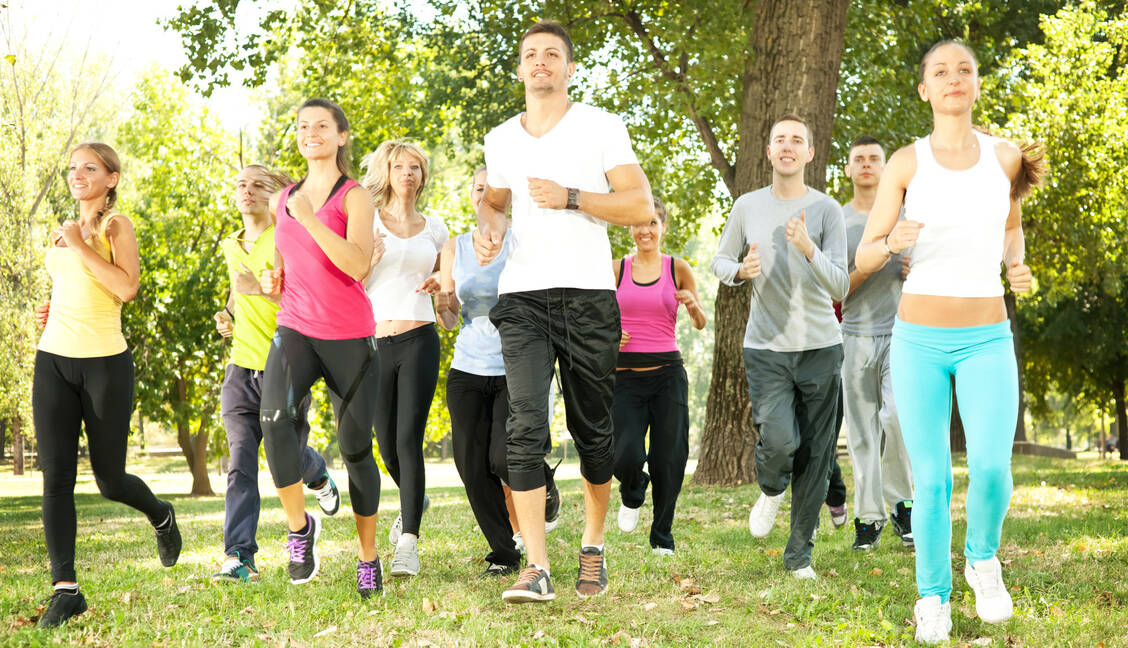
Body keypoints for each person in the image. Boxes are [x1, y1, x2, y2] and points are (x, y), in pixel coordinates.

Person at [854, 41, 1041, 643]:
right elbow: (865, 252)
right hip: (919, 341)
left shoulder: (1005, 158)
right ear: (925, 90)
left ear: (977, 85)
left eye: (965, 69)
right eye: (941, 71)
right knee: (930, 479)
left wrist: (1018, 266)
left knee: (991, 465)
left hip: (987, 336)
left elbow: (1011, 231)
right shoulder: (906, 165)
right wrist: (893, 241)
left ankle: (982, 559)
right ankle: (931, 597)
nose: (953, 78)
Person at [474, 20, 654, 602]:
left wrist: (573, 196)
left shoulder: (601, 127)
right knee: (524, 428)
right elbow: (497, 203)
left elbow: (638, 205)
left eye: (553, 53)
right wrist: (489, 231)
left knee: (594, 432)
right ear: (520, 69)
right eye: (531, 54)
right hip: (523, 297)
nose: (541, 61)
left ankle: (593, 546)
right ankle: (537, 566)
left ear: (570, 69)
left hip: (587, 297)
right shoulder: (500, 138)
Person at [32, 142, 181, 628]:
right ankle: (66, 588)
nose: (78, 175)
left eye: (90, 168)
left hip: (104, 366)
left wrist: (77, 243)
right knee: (56, 478)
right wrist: (52, 312)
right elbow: (76, 287)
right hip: (53, 359)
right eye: (73, 168)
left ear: (111, 178)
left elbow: (126, 287)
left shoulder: (115, 226)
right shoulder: (66, 231)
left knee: (110, 480)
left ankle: (160, 514)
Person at [711, 113, 848, 580]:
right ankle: (770, 488)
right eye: (779, 140)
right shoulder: (747, 206)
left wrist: (810, 248)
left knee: (817, 453)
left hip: (821, 348)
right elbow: (720, 259)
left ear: (810, 153)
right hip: (766, 349)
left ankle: (799, 556)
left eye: (797, 140)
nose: (787, 146)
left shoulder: (827, 210)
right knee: (780, 441)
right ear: (768, 152)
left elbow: (842, 286)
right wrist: (739, 271)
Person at [258, 98, 385, 599]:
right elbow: (286, 267)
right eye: (303, 126)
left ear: (341, 137)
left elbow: (356, 265)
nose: (311, 132)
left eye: (321, 126)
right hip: (295, 329)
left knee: (355, 450)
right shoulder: (282, 199)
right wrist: (273, 281)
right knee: (273, 422)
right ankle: (299, 529)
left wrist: (311, 219)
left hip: (350, 337)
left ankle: (368, 558)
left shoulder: (354, 197)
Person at [211, 165, 341, 583]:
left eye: (258, 185)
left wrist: (274, 288)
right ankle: (240, 556)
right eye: (241, 185)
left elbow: (309, 290)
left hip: (284, 361)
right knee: (241, 464)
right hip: (240, 365)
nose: (247, 191)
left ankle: (316, 472)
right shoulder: (231, 243)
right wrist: (228, 313)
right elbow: (238, 287)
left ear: (277, 194)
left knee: (283, 455)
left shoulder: (288, 236)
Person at [432, 167, 561, 578]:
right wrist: (442, 302)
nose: (485, 195)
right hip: (467, 367)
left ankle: (544, 482)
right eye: (478, 188)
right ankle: (504, 553)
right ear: (473, 197)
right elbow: (452, 319)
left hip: (515, 364)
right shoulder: (455, 246)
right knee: (471, 465)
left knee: (504, 456)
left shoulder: (523, 245)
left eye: (493, 189)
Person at [360, 140, 447, 578]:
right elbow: (349, 282)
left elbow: (449, 296)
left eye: (415, 167)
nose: (408, 174)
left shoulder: (437, 228)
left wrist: (440, 285)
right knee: (386, 446)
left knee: (409, 439)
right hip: (374, 343)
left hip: (419, 339)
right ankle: (416, 496)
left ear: (422, 176)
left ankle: (408, 542)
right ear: (387, 173)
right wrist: (369, 259)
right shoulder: (368, 221)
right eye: (400, 167)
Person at [612, 197, 706, 555]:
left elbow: (699, 324)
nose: (644, 230)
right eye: (637, 223)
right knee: (624, 454)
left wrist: (695, 307)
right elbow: (596, 318)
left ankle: (662, 535)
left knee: (670, 458)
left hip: (667, 374)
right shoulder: (616, 269)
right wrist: (610, 333)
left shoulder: (677, 268)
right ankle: (633, 490)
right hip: (625, 377)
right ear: (629, 229)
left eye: (651, 222)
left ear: (662, 226)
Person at [838, 135, 915, 552]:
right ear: (849, 169)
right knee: (862, 431)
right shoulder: (839, 222)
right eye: (859, 160)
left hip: (902, 333)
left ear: (886, 168)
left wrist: (910, 269)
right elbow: (836, 289)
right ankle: (868, 518)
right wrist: (875, 258)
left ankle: (905, 506)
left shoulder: (906, 217)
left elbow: (926, 276)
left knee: (897, 418)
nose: (867, 165)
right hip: (854, 334)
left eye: (874, 159)